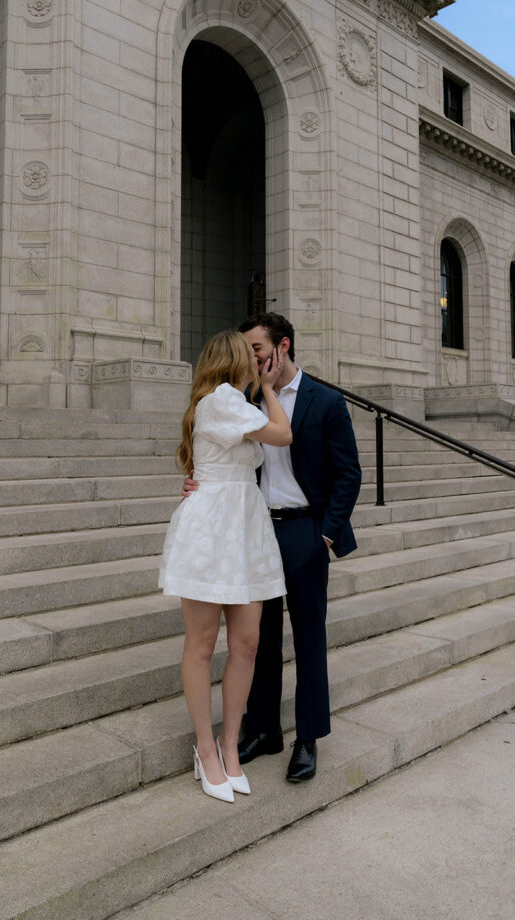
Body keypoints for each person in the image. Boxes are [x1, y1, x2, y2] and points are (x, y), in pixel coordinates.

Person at [183, 313, 362, 783]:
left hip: (304, 530)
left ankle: (308, 737)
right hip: (252, 528)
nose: (252, 357)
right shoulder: (239, 398)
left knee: (309, 638)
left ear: (283, 346)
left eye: (258, 348)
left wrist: (325, 533)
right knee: (253, 642)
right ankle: (263, 729)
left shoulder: (325, 400)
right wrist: (200, 484)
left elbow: (349, 473)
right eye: (247, 350)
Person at [159, 329, 292, 803]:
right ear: (235, 359)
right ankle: (206, 750)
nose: (258, 362)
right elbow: (282, 434)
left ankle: (229, 746)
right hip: (214, 530)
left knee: (247, 643)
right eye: (250, 355)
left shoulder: (232, 402)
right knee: (201, 644)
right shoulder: (221, 399)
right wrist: (272, 390)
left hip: (244, 526)